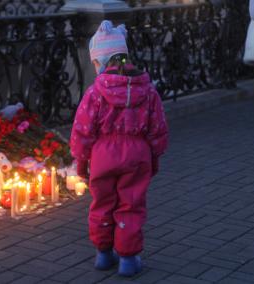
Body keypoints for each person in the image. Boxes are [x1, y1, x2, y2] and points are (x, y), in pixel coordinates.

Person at [70, 20, 168, 277]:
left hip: (103, 155)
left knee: (102, 203)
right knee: (131, 204)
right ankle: (128, 258)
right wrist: (155, 155)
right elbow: (157, 127)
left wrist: (81, 161)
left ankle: (103, 253)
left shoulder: (95, 94)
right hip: (137, 154)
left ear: (101, 62)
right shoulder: (147, 91)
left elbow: (82, 130)